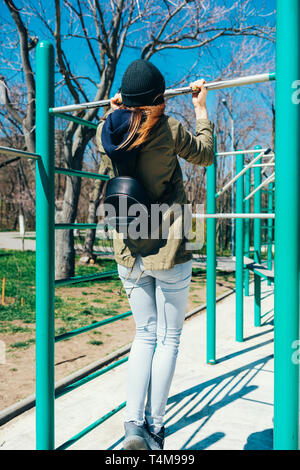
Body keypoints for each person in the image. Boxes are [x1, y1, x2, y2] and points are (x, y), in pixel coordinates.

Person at [96, 59, 214, 450]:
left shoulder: (107, 131)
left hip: (127, 245)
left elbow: (112, 140)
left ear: (125, 100)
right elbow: (205, 154)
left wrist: (115, 112)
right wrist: (200, 110)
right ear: (159, 100)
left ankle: (132, 425)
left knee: (143, 335)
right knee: (169, 338)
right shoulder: (170, 129)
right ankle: (156, 427)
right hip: (169, 244)